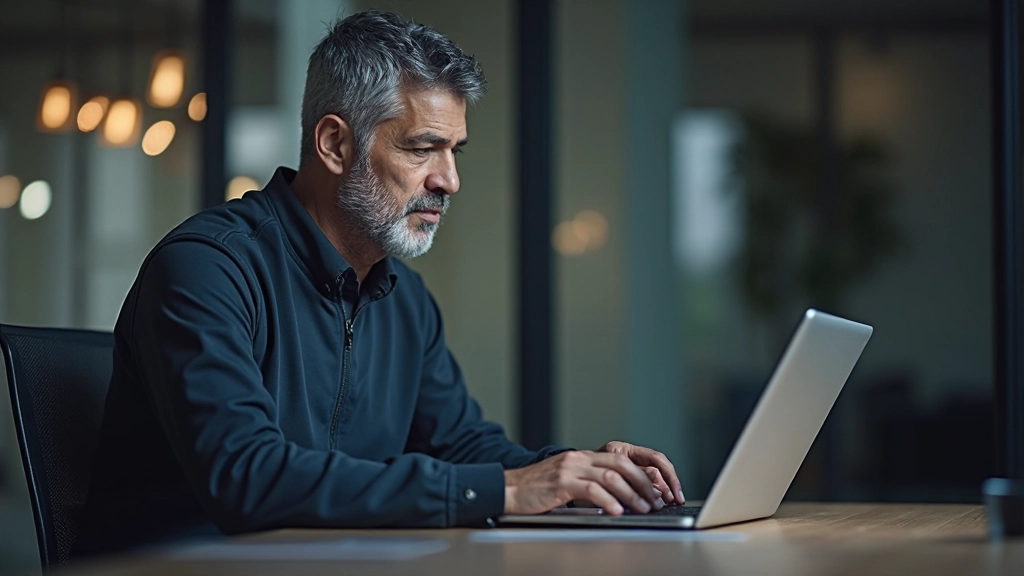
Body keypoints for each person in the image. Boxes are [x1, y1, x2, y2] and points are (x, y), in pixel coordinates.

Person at [75, 10, 683, 556]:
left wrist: (574, 473)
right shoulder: (207, 268)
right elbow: (248, 476)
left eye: (455, 151)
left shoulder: (404, 298)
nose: (449, 180)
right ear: (335, 144)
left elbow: (461, 448)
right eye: (423, 149)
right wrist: (507, 489)